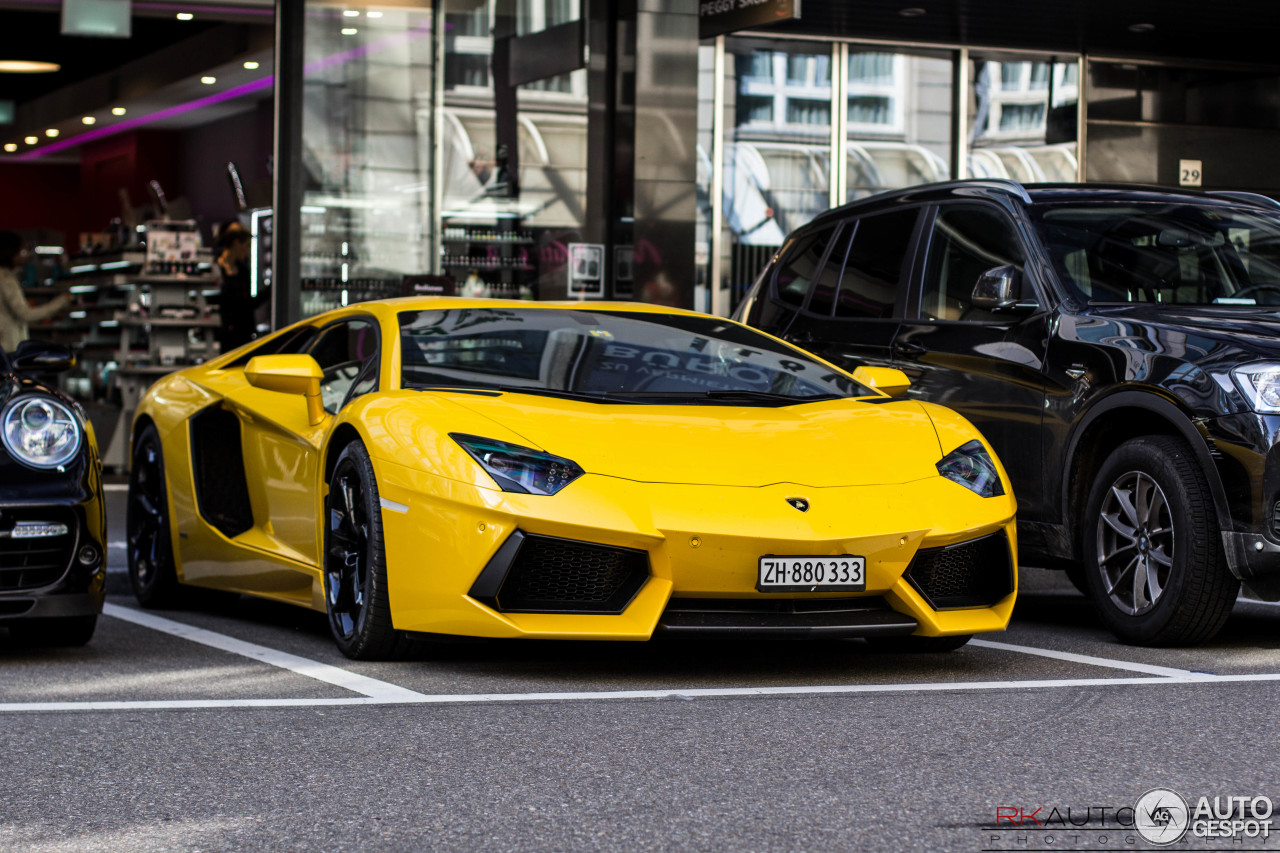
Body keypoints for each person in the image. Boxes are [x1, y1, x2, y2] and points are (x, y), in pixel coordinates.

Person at [0, 231, 72, 353]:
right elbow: (25, 314)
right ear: (11, 253)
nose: (25, 255)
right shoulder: (5, 278)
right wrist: (61, 301)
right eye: (20, 251)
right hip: (9, 349)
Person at [213, 220, 265, 352]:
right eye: (246, 246)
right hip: (224, 336)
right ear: (236, 244)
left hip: (244, 335)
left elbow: (248, 303)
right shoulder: (215, 269)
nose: (248, 251)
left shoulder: (242, 269)